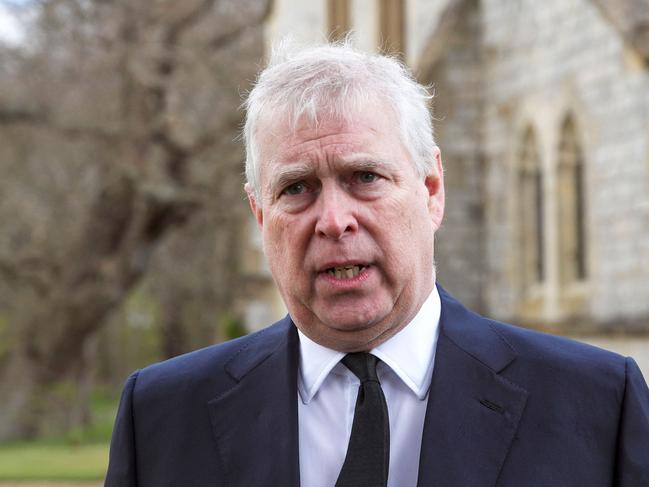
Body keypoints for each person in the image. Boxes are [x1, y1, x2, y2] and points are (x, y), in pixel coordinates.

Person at [105, 42, 649, 487]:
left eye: (365, 177)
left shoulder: (597, 403)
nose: (334, 220)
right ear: (260, 213)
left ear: (431, 190)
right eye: (297, 188)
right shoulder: (159, 417)